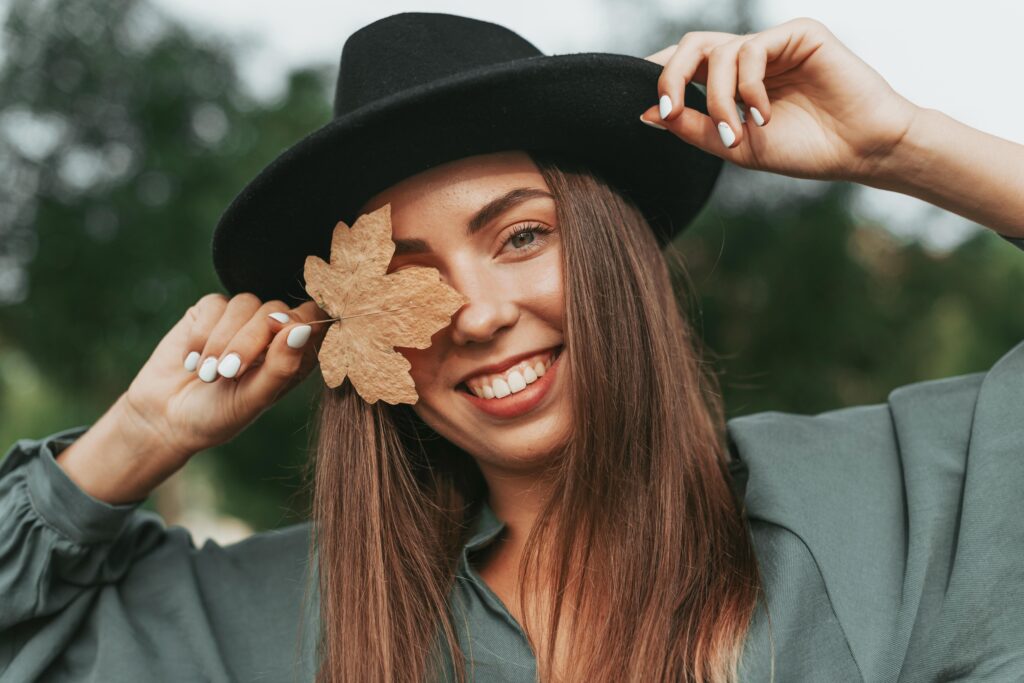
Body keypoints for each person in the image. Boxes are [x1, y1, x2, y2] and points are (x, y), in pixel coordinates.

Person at [1, 11, 1022, 683]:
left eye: (521, 234)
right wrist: (135, 436)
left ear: (612, 249)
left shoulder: (896, 499)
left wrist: (900, 145)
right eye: (406, 274)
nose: (478, 313)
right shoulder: (283, 622)